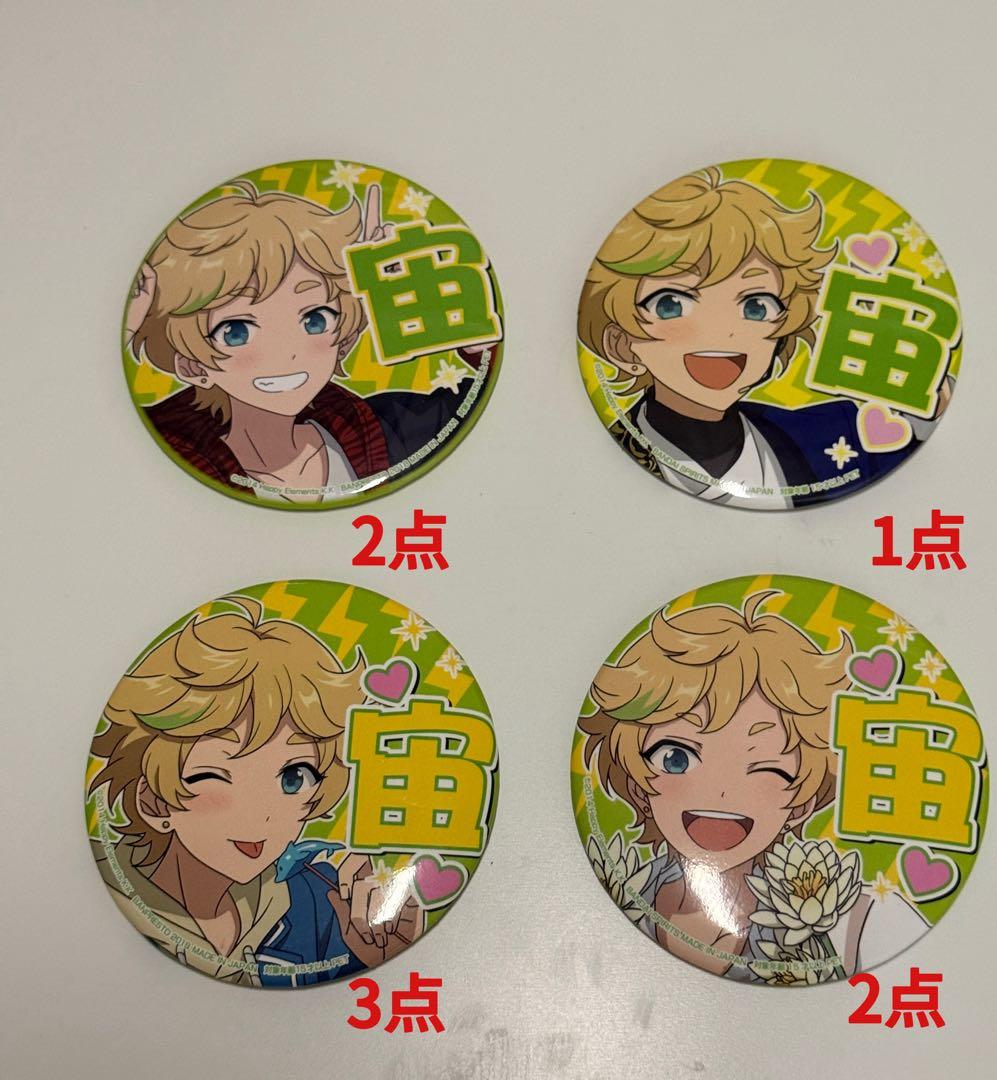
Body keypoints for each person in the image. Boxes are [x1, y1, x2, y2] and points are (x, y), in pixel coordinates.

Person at [579, 591, 927, 982]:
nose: (721, 793)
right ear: (635, 781)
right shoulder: (614, 891)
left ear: (802, 802)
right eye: (676, 758)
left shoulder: (859, 926)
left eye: (767, 769)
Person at [89, 596, 419, 986]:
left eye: (293, 777)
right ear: (155, 802)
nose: (264, 815)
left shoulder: (317, 900)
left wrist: (374, 953)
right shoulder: (106, 910)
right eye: (216, 775)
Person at [578, 168, 951, 507]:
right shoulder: (601, 466)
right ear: (621, 345)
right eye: (671, 304)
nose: (724, 331)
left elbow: (920, 408)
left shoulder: (824, 435)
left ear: (781, 336)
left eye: (756, 306)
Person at [126, 180, 485, 504]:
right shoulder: (170, 453)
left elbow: (477, 400)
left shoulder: (372, 428)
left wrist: (417, 298)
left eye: (315, 320)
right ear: (192, 366)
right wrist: (125, 327)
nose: (288, 353)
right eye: (236, 332)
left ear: (344, 338)